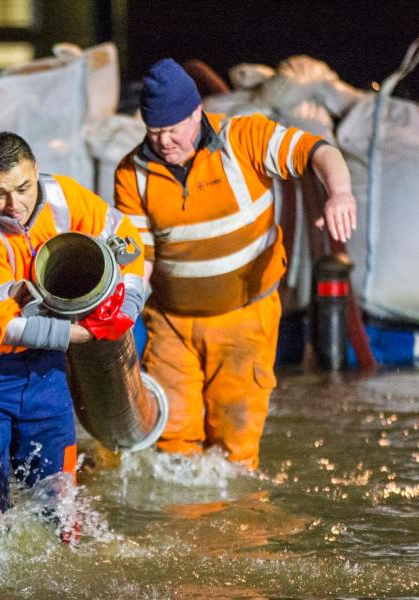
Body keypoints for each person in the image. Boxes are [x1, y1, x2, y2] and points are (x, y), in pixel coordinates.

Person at [114, 58, 357, 469]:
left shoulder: (243, 138)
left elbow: (318, 151)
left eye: (173, 129)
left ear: (196, 113)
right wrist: (123, 307)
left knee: (236, 448)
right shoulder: (131, 172)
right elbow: (139, 257)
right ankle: (183, 525)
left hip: (244, 319)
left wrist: (341, 193)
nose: (164, 141)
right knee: (172, 448)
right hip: (172, 325)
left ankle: (238, 529)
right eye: (154, 132)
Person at [0, 132, 146, 525]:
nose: (15, 205)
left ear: (37, 172)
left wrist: (129, 303)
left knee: (60, 501)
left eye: (24, 188)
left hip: (44, 370)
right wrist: (78, 336)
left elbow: (127, 242)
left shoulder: (64, 196)